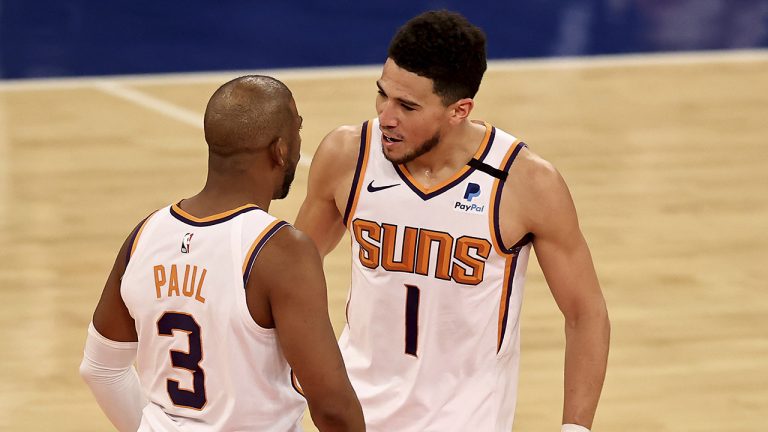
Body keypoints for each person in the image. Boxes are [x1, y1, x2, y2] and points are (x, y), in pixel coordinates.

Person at [295, 10, 609, 432]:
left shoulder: (526, 183)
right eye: (382, 95)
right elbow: (292, 274)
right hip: (353, 415)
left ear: (459, 110)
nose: (387, 116)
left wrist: (575, 428)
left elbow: (585, 313)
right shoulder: (347, 155)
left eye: (407, 106)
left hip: (466, 420)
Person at [79, 75, 365, 432]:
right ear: (279, 149)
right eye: (297, 131)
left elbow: (100, 369)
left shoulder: (144, 235)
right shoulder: (281, 251)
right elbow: (333, 407)